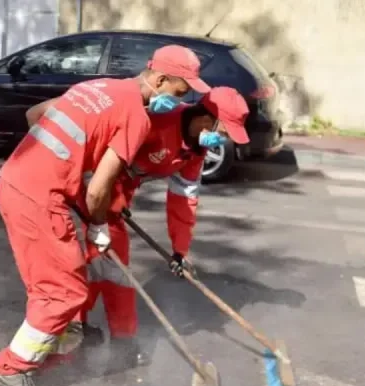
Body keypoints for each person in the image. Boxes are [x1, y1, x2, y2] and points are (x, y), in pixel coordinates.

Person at [0, 45, 211, 386]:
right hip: (40, 199)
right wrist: (98, 224)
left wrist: (64, 166)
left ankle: (49, 353)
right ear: (160, 79)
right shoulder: (137, 117)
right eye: (180, 92)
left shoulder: (99, 87)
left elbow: (35, 114)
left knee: (51, 285)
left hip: (14, 183)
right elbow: (99, 187)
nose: (181, 101)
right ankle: (10, 369)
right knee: (65, 292)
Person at [77, 86, 251, 370]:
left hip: (118, 193)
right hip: (95, 187)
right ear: (207, 118)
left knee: (102, 264)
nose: (222, 139)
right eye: (223, 131)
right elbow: (99, 157)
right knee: (111, 265)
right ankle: (112, 339)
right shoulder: (156, 122)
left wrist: (180, 251)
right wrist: (110, 201)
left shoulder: (195, 150)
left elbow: (183, 199)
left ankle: (86, 330)